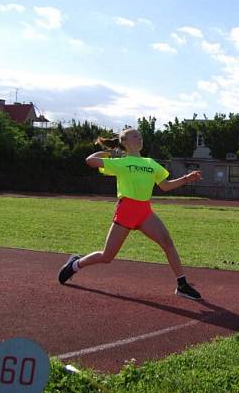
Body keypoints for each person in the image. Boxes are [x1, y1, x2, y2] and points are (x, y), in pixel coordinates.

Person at [57, 128, 204, 300]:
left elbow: (165, 186)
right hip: (127, 210)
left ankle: (182, 285)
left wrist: (186, 178)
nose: (139, 138)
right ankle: (75, 264)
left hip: (145, 211)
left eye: (140, 136)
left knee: (168, 243)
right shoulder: (121, 162)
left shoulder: (150, 163)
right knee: (107, 256)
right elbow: (90, 161)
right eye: (135, 136)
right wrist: (109, 152)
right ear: (124, 142)